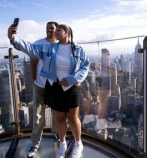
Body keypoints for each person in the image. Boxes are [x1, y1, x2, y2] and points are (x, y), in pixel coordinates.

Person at [8, 23, 89, 158]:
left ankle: (78, 144)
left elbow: (85, 66)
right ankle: (62, 145)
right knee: (59, 118)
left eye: (59, 30)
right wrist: (13, 39)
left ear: (67, 32)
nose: (55, 32)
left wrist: (73, 79)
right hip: (55, 86)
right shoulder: (49, 48)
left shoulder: (78, 49)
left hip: (72, 87)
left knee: (73, 118)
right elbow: (31, 49)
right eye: (55, 30)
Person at [27, 21, 59, 158]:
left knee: (56, 114)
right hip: (40, 85)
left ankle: (57, 135)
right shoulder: (38, 43)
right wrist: (34, 80)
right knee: (38, 116)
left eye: (52, 28)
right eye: (47, 28)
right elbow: (33, 63)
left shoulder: (61, 45)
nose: (49, 30)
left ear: (57, 30)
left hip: (55, 86)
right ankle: (35, 144)